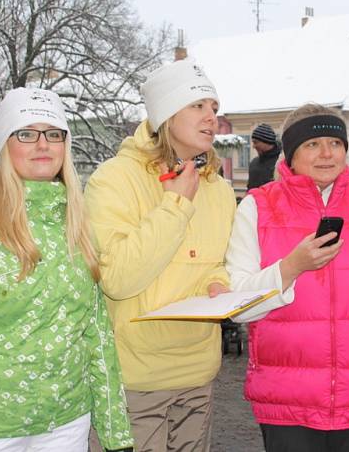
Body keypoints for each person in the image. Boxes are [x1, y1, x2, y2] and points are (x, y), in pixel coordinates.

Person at [0, 87, 134, 452]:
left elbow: (96, 333)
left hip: (67, 422)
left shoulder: (75, 221)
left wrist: (117, 433)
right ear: (4, 144)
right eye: (26, 133)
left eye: (54, 134)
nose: (43, 144)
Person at [225, 103, 349, 452]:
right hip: (287, 403)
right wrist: (290, 267)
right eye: (313, 144)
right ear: (292, 155)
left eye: (335, 143)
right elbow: (237, 304)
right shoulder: (257, 207)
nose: (327, 153)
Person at [84, 59, 236, 452]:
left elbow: (212, 259)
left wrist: (218, 282)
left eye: (215, 109)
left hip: (198, 371)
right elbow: (117, 278)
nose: (211, 119)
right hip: (135, 376)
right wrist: (176, 204)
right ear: (166, 114)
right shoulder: (114, 178)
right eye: (198, 106)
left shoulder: (217, 188)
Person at [246, 123, 281, 190]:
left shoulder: (281, 163)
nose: (253, 146)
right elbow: (249, 189)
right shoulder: (254, 163)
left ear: (266, 141)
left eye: (255, 142)